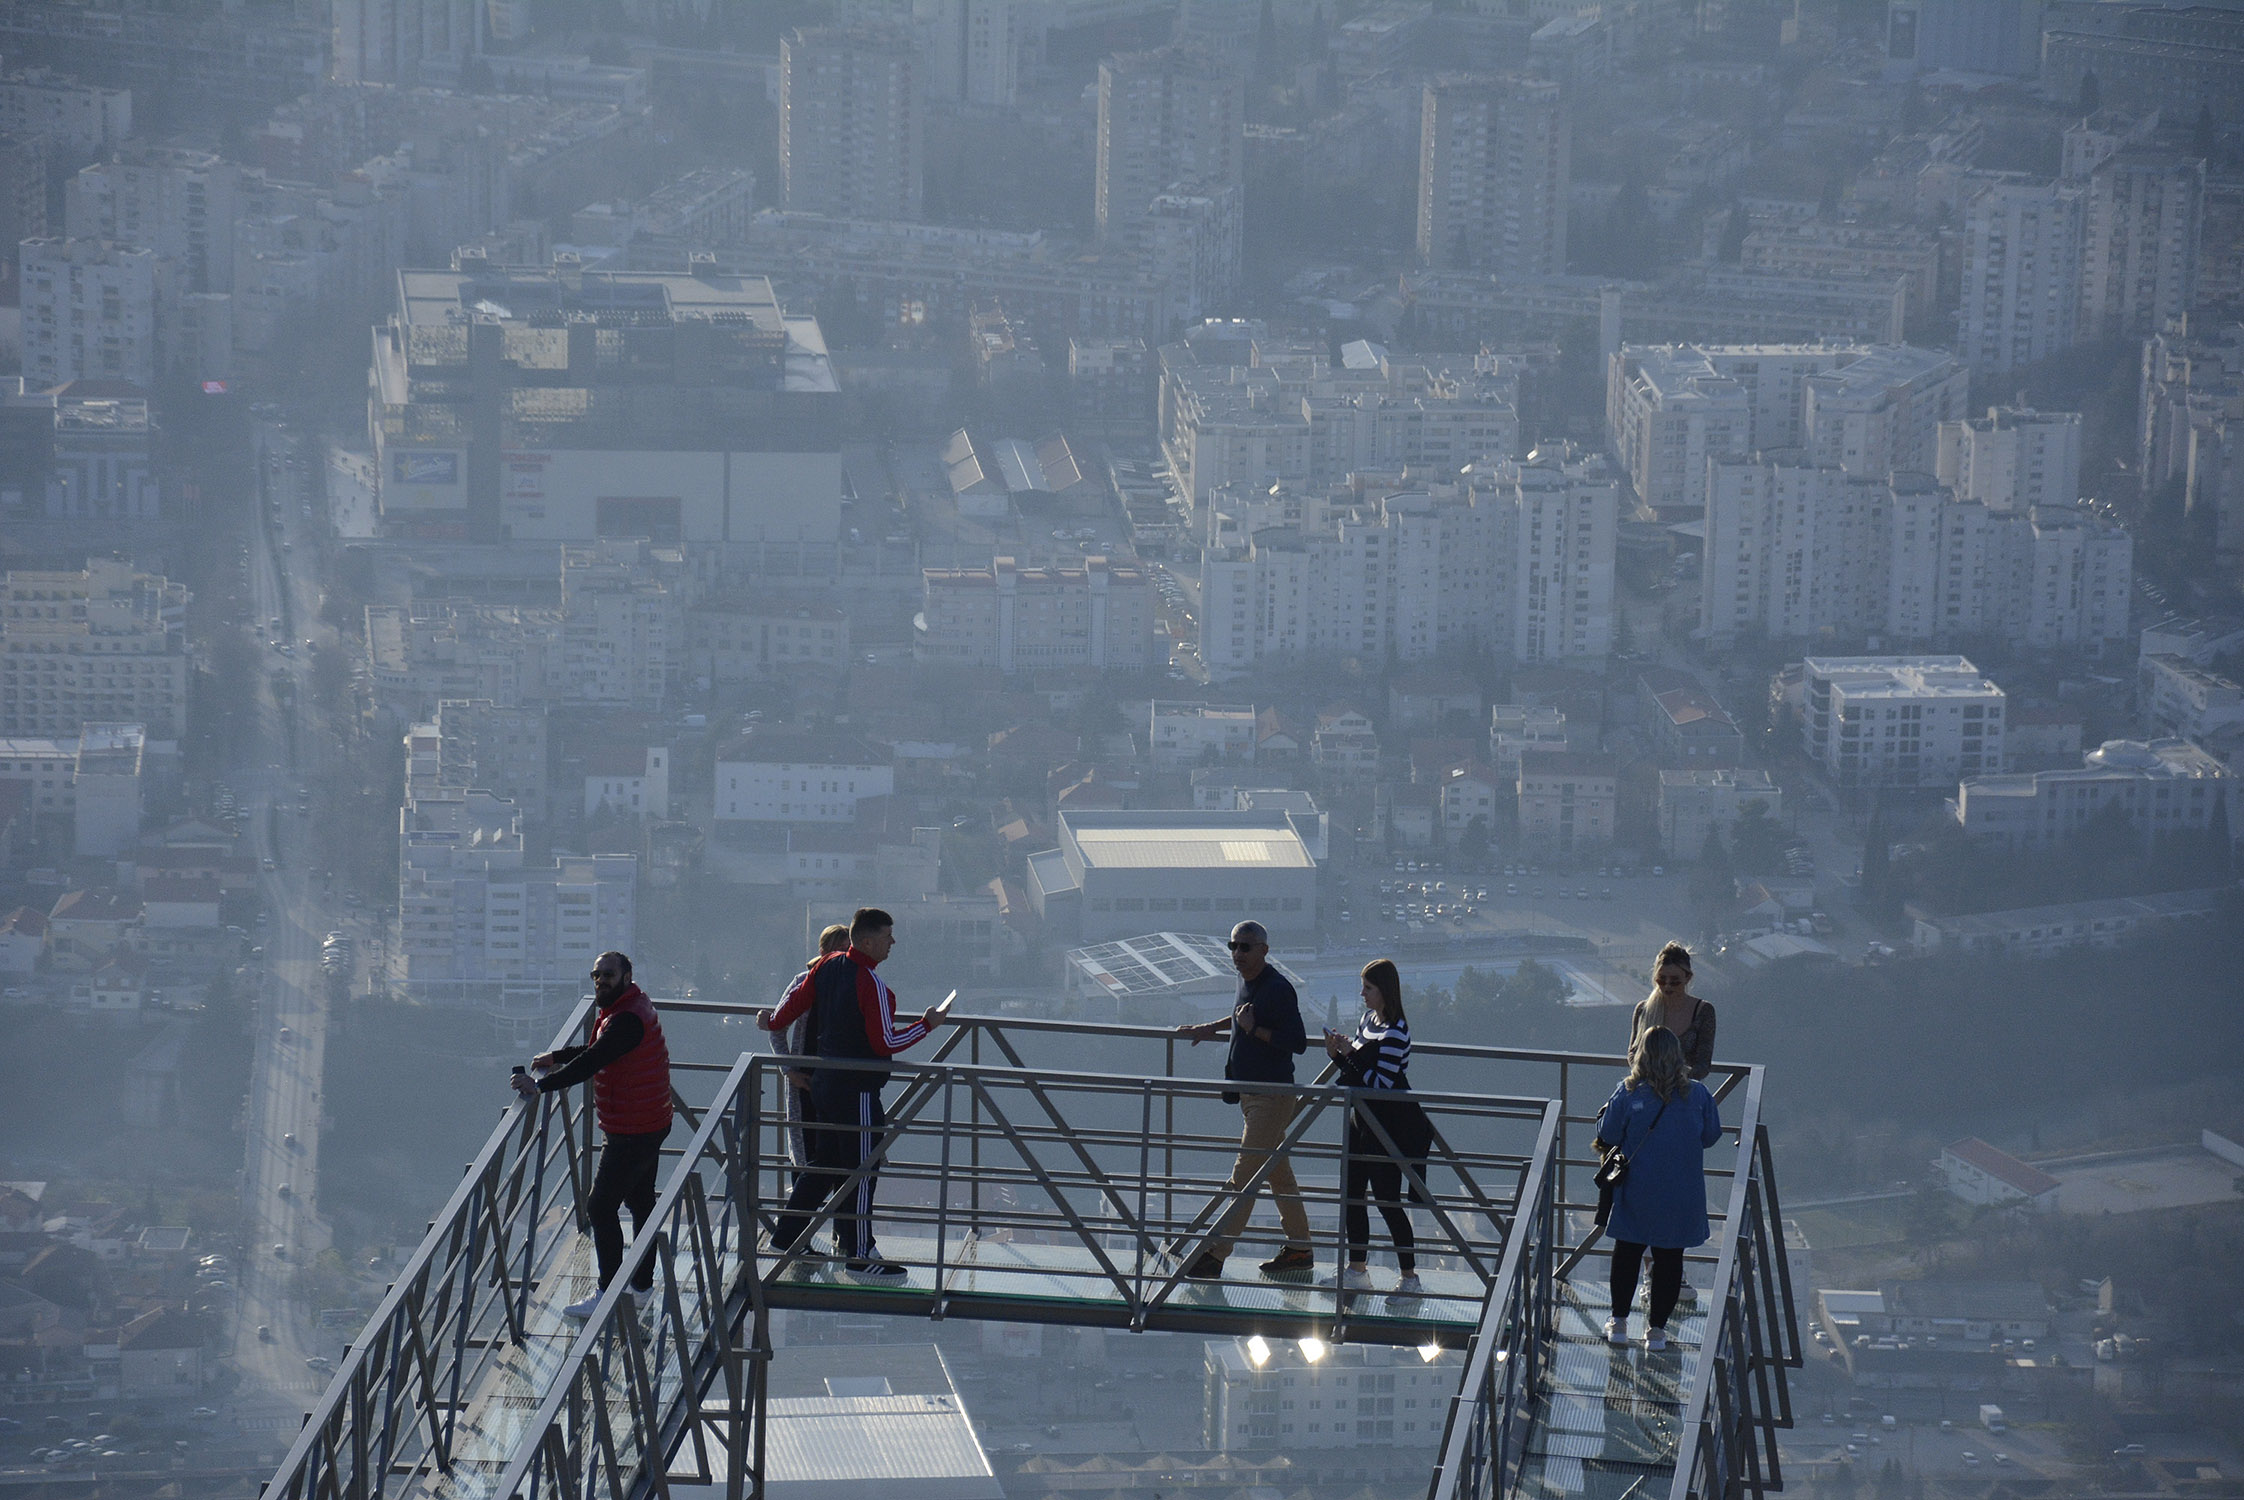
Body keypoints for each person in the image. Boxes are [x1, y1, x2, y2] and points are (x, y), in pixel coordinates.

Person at [758, 908, 941, 1281]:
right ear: (869, 941)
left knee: (824, 1164)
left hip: (825, 1083)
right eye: (888, 936)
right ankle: (858, 1256)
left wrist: (770, 1022)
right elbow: (886, 1041)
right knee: (862, 1168)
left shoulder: (826, 967)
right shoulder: (871, 984)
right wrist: (927, 1025)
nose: (893, 942)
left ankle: (785, 1236)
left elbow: (784, 1014)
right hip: (856, 1089)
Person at [512, 951, 671, 1318]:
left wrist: (541, 1085)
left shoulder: (627, 1018)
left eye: (608, 975)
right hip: (649, 1121)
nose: (601, 981)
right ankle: (642, 1287)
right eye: (596, 975)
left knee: (600, 1207)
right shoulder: (630, 1008)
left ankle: (608, 1293)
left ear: (627, 975)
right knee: (640, 1203)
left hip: (632, 1129)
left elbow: (593, 1061)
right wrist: (557, 1055)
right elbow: (601, 1050)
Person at [1176, 921, 1312, 1280]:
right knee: (1278, 1178)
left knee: (1244, 1177)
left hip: (1272, 1097)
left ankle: (1214, 1255)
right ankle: (1300, 1249)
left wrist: (1254, 1031)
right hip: (1252, 1096)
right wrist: (1211, 1028)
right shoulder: (1246, 981)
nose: (1238, 953)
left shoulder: (1278, 988)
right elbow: (1241, 1017)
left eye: (1246, 947)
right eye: (1233, 946)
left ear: (1264, 950)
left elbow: (1296, 1040)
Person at [1593, 1026, 1722, 1351]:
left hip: (1637, 1187)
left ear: (1642, 1055)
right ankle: (1657, 1332)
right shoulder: (1698, 1095)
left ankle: (1619, 1323)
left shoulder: (1629, 1091)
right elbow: (1710, 1136)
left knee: (1627, 1253)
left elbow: (1608, 1133)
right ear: (1678, 1057)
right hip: (1682, 1191)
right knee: (1669, 1258)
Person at [1321, 958, 1431, 1299]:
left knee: (1386, 1199)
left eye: (1368, 988)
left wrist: (1345, 1056)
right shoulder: (1370, 1019)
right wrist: (1340, 1053)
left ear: (1384, 991)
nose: (1363, 994)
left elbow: (1380, 1083)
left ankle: (1409, 1277)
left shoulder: (1396, 1031)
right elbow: (1359, 1065)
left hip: (1385, 1122)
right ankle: (1357, 1270)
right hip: (1360, 1116)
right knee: (1353, 1194)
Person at [777, 925, 852, 1173]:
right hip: (806, 1079)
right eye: (837, 949)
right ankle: (800, 1210)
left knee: (840, 1153)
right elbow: (777, 1027)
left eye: (847, 950)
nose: (841, 956)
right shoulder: (803, 981)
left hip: (839, 1080)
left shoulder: (855, 982)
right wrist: (789, 1070)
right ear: (823, 951)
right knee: (806, 1152)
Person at [1631, 941, 1716, 1080]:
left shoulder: (1703, 1011)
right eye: (1662, 980)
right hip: (1648, 1088)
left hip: (1685, 1091)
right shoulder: (1643, 1010)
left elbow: (1703, 1064)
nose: (1668, 986)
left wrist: (1675, 1080)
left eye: (1674, 980)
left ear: (1688, 977)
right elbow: (1634, 1053)